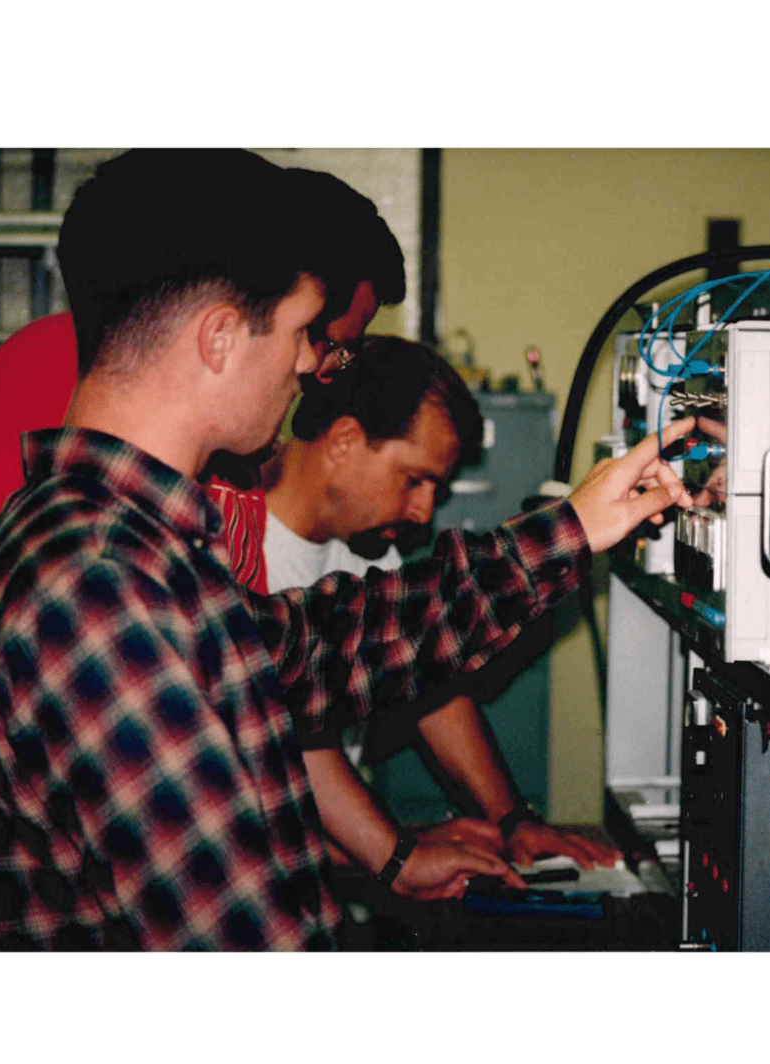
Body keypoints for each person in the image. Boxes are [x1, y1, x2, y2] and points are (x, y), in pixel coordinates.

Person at [0, 146, 695, 950]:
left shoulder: (136, 548)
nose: (310, 362)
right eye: (303, 330)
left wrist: (572, 528)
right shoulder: (97, 589)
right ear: (221, 338)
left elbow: (329, 646)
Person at [0, 154, 515, 906]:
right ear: (228, 326)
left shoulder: (218, 468)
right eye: (322, 333)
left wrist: (389, 858)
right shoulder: (68, 393)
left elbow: (270, 676)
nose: (320, 367)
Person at [261, 334, 619, 869]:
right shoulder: (238, 550)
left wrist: (513, 821)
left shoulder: (365, 552)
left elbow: (428, 681)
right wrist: (399, 853)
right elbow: (289, 756)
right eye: (415, 480)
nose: (425, 512)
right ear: (343, 442)